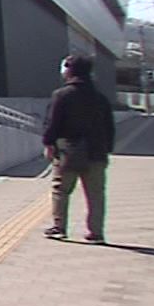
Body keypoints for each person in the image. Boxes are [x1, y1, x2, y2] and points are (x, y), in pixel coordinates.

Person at [42, 53, 116, 243]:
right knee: (96, 194)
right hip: (97, 151)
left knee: (61, 190)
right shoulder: (100, 98)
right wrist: (107, 149)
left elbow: (52, 123)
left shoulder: (61, 95)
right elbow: (109, 127)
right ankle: (96, 232)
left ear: (68, 70)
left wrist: (48, 143)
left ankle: (59, 227)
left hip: (69, 151)